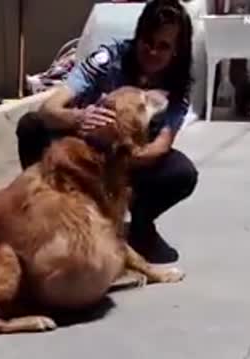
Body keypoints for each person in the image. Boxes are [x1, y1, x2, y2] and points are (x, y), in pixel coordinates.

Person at [15, 0, 198, 264]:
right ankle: (42, 213)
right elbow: (49, 108)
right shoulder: (107, 58)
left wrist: (117, 150)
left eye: (164, 46)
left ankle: (140, 226)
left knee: (181, 173)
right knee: (31, 125)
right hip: (82, 156)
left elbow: (160, 146)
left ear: (176, 51)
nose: (152, 52)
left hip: (126, 160)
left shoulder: (178, 87)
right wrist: (79, 118)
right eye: (147, 41)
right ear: (138, 36)